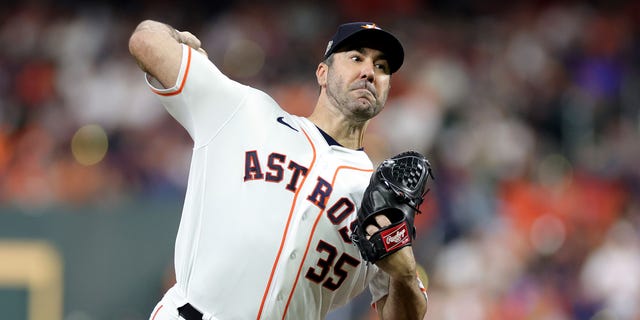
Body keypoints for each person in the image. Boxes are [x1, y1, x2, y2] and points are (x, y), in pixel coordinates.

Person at [128, 19, 428, 320]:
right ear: (323, 73)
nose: (369, 72)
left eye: (382, 66)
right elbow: (146, 41)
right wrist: (177, 37)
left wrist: (404, 275)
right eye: (356, 57)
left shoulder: (378, 198)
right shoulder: (245, 112)